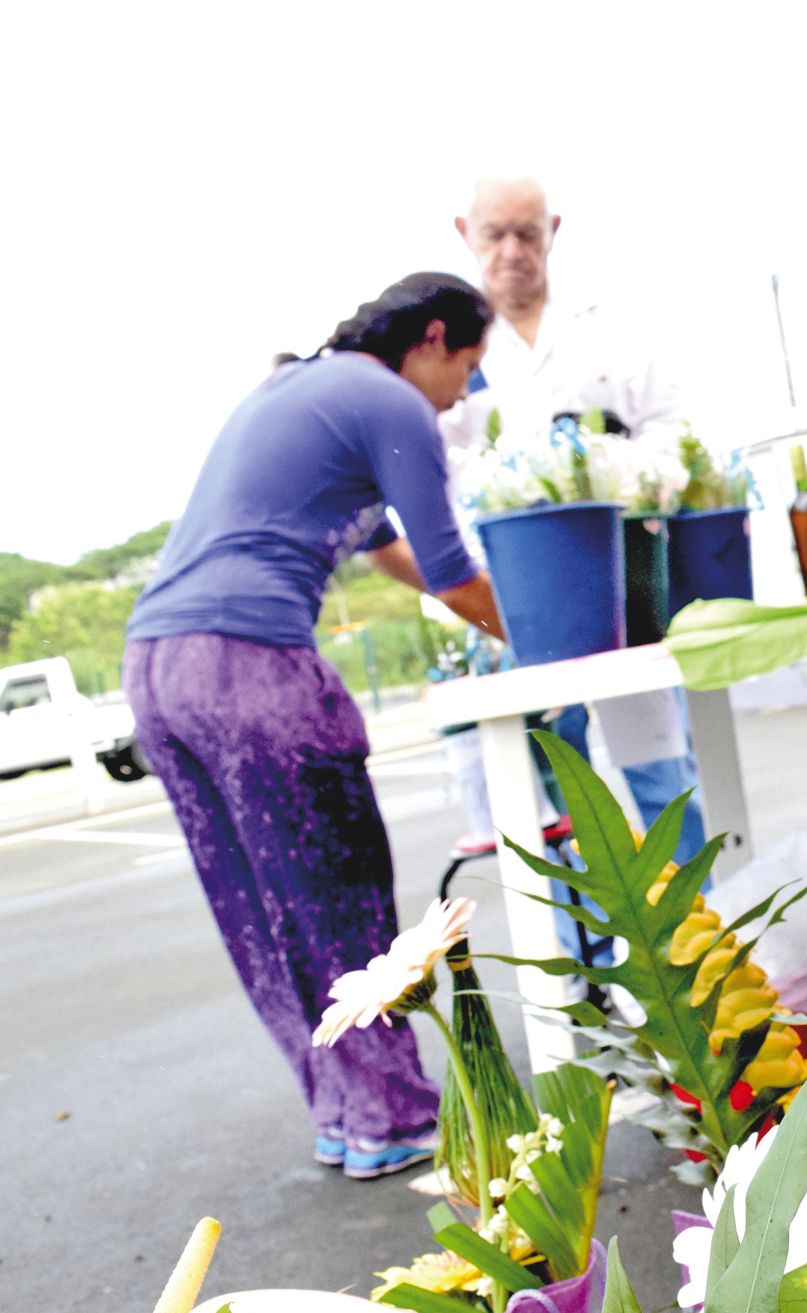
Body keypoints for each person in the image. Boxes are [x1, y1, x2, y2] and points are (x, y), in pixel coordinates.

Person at [124, 273, 504, 1179]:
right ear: (434, 338)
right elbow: (453, 568)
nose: (464, 394)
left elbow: (387, 554)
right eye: (469, 368)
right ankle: (392, 1117)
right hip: (246, 663)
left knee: (259, 907)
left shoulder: (302, 389)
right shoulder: (390, 398)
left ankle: (344, 1112)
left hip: (156, 662)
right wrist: (535, 635)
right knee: (338, 889)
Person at [441, 176, 707, 966]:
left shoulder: (609, 337)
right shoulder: (453, 350)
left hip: (621, 591)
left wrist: (603, 468)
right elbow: (430, 483)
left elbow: (673, 432)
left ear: (554, 229)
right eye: (495, 235)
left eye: (527, 233)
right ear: (465, 232)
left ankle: (703, 966)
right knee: (553, 809)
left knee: (661, 780)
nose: (512, 251)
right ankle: (595, 989)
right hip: (510, 611)